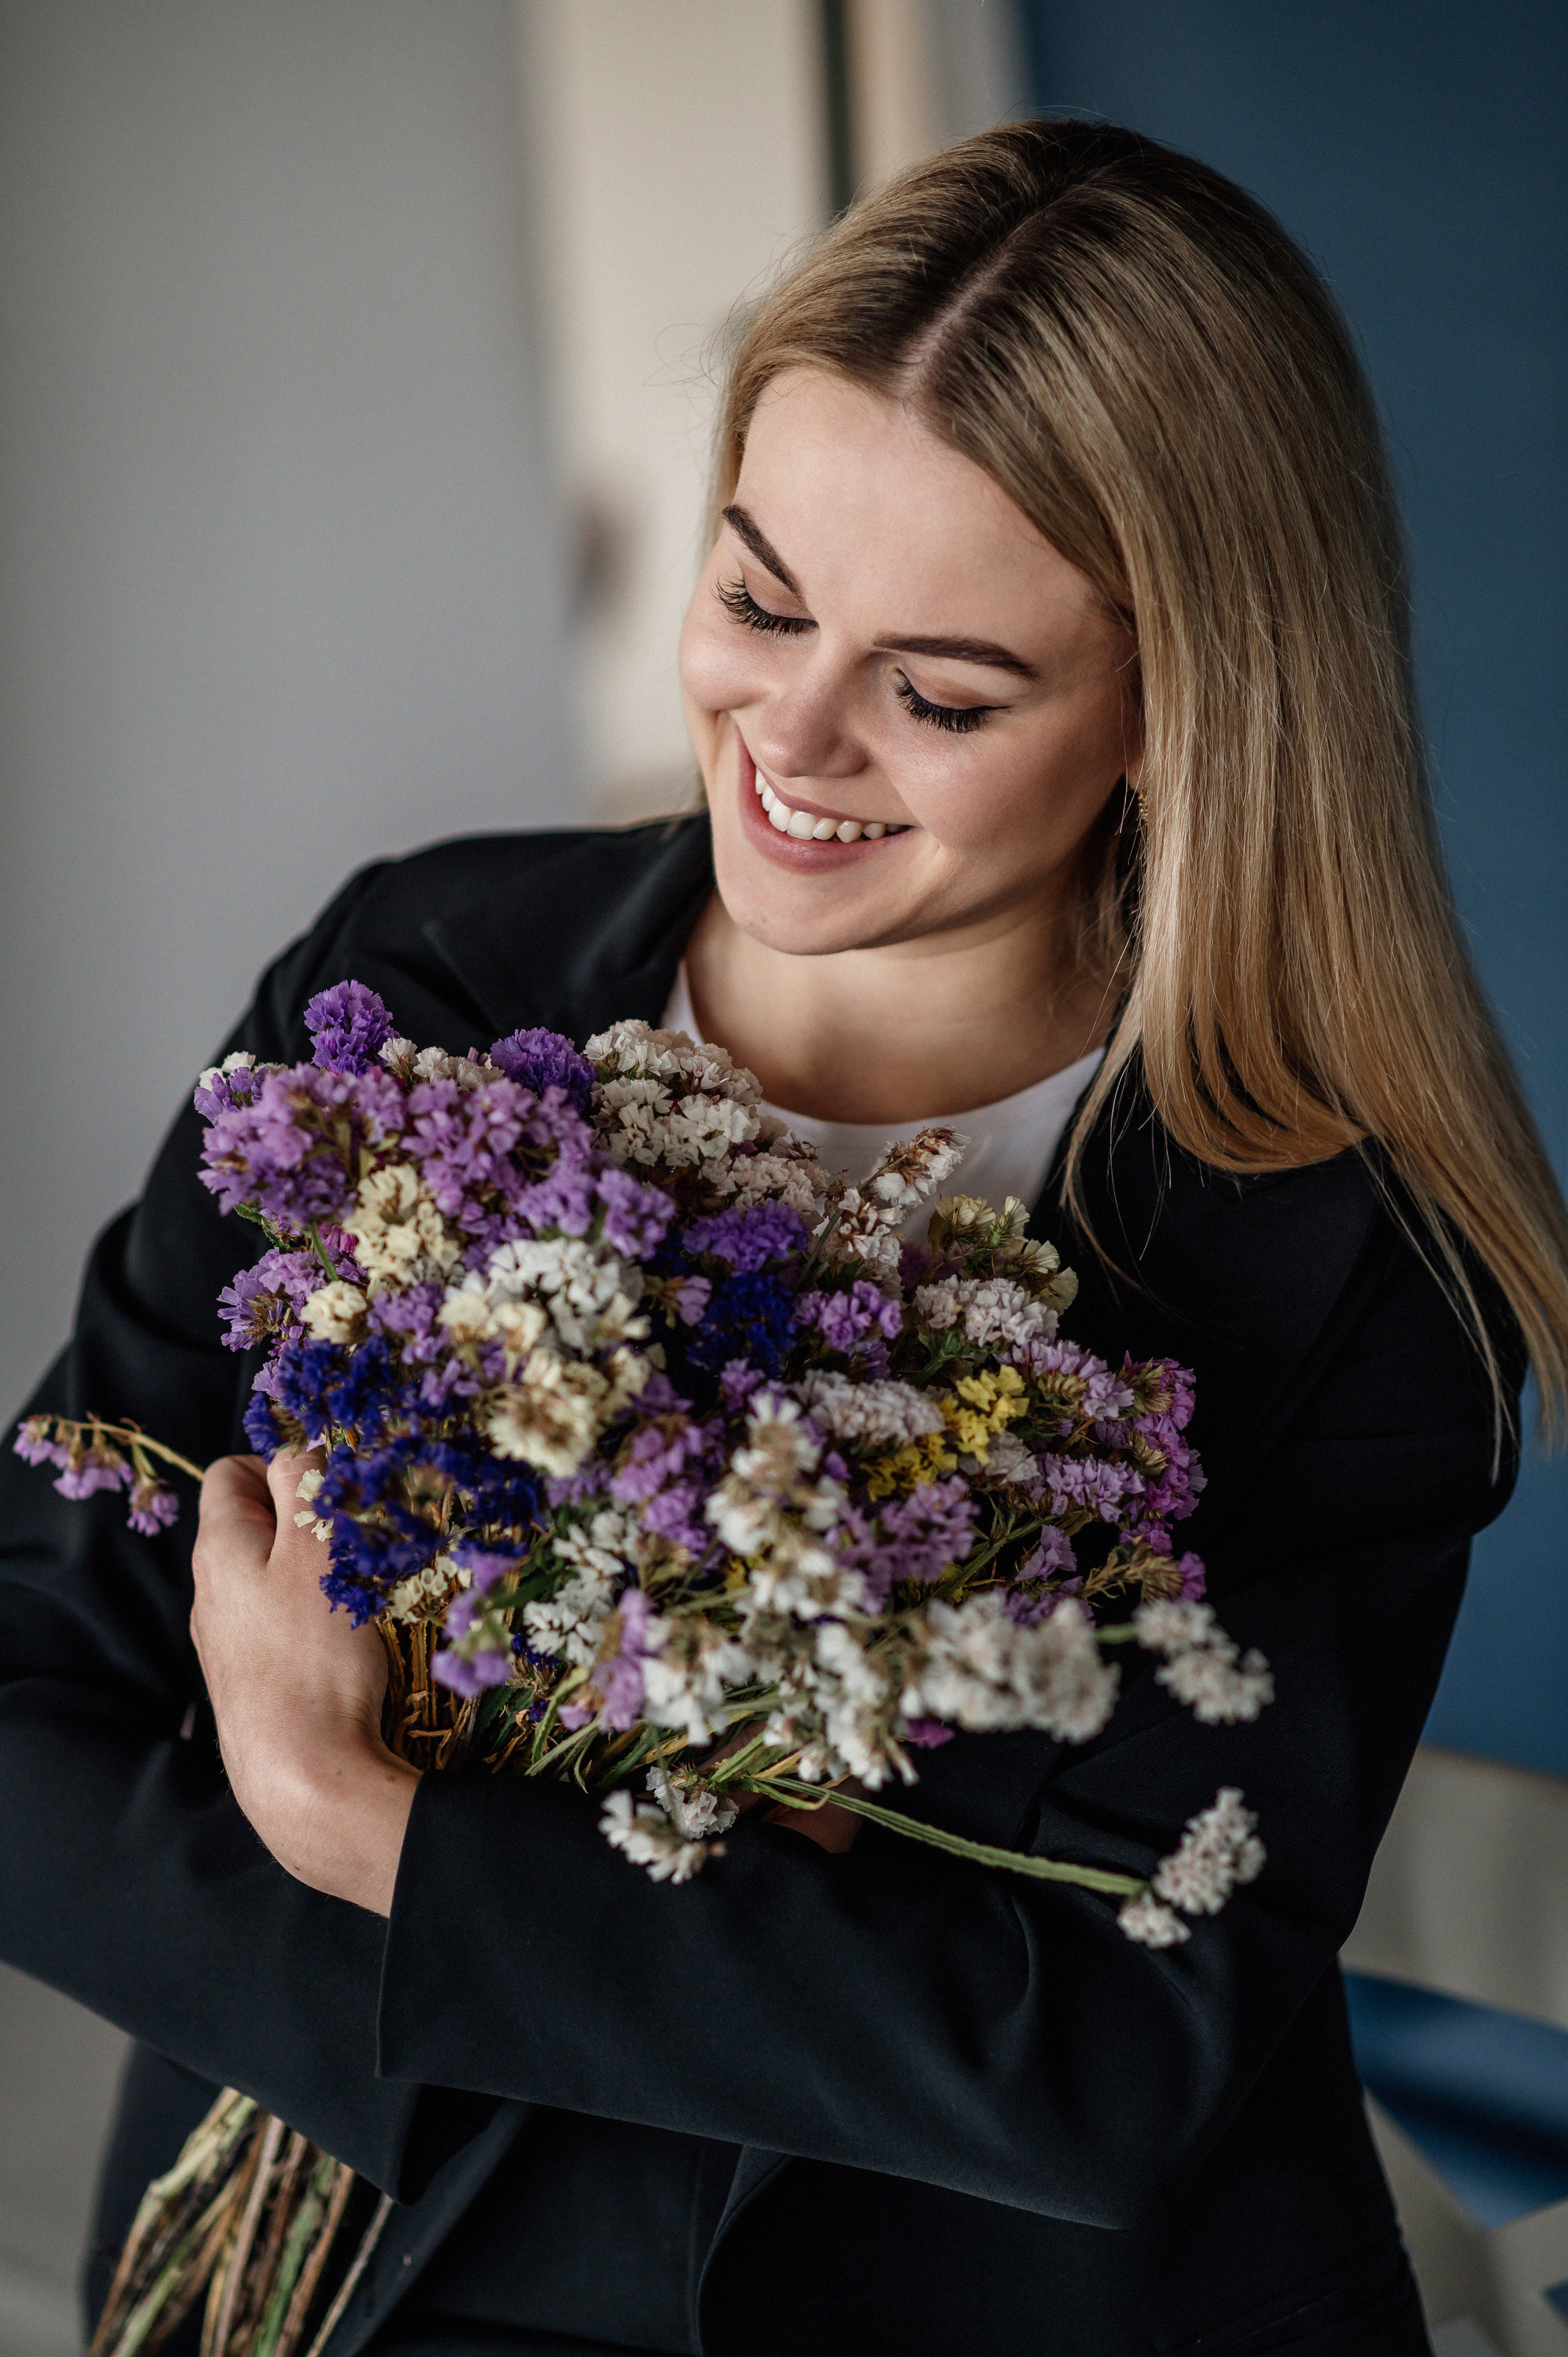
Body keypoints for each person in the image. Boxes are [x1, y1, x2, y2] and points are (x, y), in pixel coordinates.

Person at [4, 119, 1566, 2357]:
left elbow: (1088, 2067)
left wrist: (351, 1816)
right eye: (755, 597)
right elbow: (27, 1691)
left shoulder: (1340, 1265)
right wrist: (716, 1952)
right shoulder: (429, 972)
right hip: (355, 2261)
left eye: (941, 693)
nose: (789, 741)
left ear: (1173, 714)